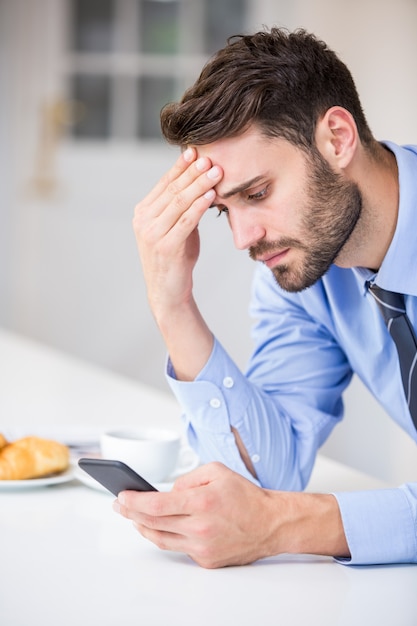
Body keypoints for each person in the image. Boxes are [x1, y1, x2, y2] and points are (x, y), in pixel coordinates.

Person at [114, 27, 417, 568]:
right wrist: (173, 306)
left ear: (337, 139)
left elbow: (264, 517)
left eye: (256, 194)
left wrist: (285, 525)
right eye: (225, 210)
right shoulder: (305, 268)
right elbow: (261, 482)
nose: (243, 238)